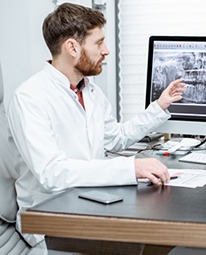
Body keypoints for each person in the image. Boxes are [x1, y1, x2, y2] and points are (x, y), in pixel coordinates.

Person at [7, 3, 185, 247]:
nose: (106, 51)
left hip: (91, 202)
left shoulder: (90, 91)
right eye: (99, 43)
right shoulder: (29, 97)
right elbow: (52, 174)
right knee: (151, 239)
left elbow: (116, 138)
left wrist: (159, 107)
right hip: (49, 219)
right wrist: (130, 168)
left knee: (164, 234)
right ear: (72, 47)